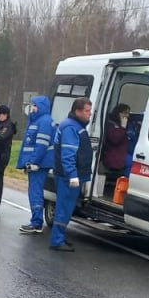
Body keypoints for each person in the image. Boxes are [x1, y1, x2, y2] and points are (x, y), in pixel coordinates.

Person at [51, 97, 93, 252]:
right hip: (67, 177)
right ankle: (57, 240)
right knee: (64, 208)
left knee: (66, 207)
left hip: (67, 175)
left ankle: (59, 237)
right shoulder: (71, 127)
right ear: (77, 111)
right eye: (87, 111)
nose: (90, 114)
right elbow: (68, 154)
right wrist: (72, 175)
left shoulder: (73, 125)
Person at [15, 96, 57, 234]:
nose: (32, 108)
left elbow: (41, 145)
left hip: (39, 164)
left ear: (41, 107)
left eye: (35, 106)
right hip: (36, 163)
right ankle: (36, 221)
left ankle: (36, 222)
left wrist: (34, 162)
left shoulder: (44, 121)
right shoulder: (38, 120)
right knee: (35, 191)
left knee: (35, 192)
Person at [101, 103, 131, 195]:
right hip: (112, 155)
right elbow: (115, 139)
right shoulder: (111, 124)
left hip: (121, 153)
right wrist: (122, 127)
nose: (127, 116)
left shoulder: (121, 124)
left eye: (128, 113)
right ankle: (124, 187)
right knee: (131, 163)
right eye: (124, 113)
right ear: (118, 113)